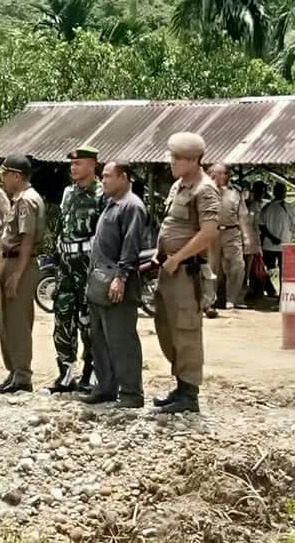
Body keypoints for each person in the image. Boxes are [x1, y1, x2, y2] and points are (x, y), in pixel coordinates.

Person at [152, 132, 219, 414]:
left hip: (186, 272)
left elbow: (209, 233)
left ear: (194, 160)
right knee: (165, 327)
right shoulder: (179, 185)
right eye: (172, 156)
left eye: (178, 158)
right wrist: (160, 251)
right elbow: (171, 223)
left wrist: (177, 257)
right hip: (168, 268)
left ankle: (189, 394)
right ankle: (180, 385)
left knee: (186, 330)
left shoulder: (205, 189)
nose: (172, 162)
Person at [81, 161, 147, 408]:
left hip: (118, 283)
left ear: (124, 177)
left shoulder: (132, 206)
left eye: (108, 176)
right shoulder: (111, 203)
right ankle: (106, 387)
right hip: (99, 283)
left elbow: (131, 247)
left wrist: (121, 277)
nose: (103, 181)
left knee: (122, 340)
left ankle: (131, 392)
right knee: (99, 338)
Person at [0, 154, 46, 394]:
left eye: (4, 174)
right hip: (10, 262)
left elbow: (27, 240)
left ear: (16, 176)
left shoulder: (26, 201)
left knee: (17, 323)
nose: (2, 179)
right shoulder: (21, 199)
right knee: (8, 321)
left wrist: (16, 274)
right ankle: (14, 372)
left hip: (18, 264)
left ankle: (22, 375)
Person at [50, 146, 104, 394]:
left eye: (79, 163)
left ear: (93, 165)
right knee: (62, 318)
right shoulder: (67, 193)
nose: (73, 168)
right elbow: (61, 226)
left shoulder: (102, 194)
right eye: (71, 164)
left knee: (88, 321)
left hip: (88, 265)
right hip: (66, 266)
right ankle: (65, 373)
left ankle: (91, 373)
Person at [202, 163, 249, 316]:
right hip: (211, 233)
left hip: (231, 232)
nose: (225, 176)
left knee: (237, 265)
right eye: (222, 173)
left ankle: (231, 299)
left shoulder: (235, 194)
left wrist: (246, 236)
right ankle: (210, 300)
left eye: (227, 173)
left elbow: (242, 216)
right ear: (213, 174)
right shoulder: (205, 191)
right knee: (211, 267)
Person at [260, 183, 295, 299]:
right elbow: (262, 226)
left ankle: (277, 293)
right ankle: (276, 293)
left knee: (272, 270)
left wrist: (271, 237)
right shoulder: (286, 208)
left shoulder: (267, 208)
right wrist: (273, 237)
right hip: (279, 244)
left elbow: (262, 227)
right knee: (277, 271)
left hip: (274, 245)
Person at [244, 181, 268, 298]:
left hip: (255, 237)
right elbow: (251, 224)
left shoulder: (258, 205)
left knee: (254, 265)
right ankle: (246, 288)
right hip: (251, 239)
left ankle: (254, 289)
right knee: (249, 267)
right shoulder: (253, 206)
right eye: (261, 192)